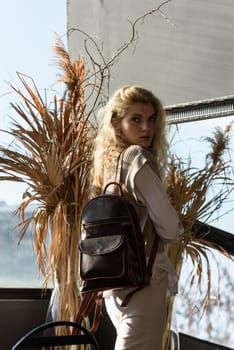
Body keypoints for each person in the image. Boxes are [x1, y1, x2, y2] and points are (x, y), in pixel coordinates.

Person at [90, 85, 183, 350]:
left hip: (113, 285)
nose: (147, 128)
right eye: (136, 119)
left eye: (151, 119)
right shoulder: (136, 158)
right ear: (117, 122)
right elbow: (170, 229)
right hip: (144, 281)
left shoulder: (108, 166)